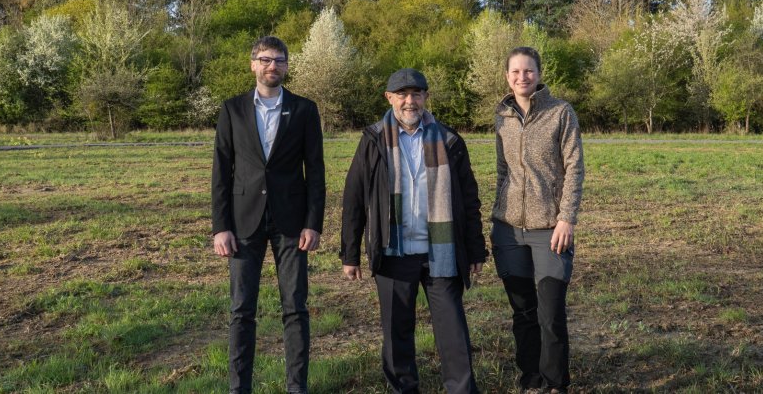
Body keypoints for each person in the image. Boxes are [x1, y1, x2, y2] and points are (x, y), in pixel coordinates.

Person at [340, 68, 487, 394]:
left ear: (425, 97)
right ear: (389, 98)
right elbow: (353, 200)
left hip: (441, 253)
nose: (410, 101)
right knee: (397, 334)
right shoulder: (373, 140)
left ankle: (461, 389)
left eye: (417, 93)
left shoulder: (449, 140)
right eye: (403, 94)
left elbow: (469, 199)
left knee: (453, 333)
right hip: (394, 252)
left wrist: (476, 249)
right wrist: (350, 254)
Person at [211, 36, 325, 394]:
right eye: (264, 59)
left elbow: (316, 172)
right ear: (253, 64)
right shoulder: (232, 110)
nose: (271, 66)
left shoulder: (305, 110)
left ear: (287, 66)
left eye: (278, 60)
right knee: (242, 310)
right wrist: (221, 227)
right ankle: (238, 388)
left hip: (292, 224)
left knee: (295, 308)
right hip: (243, 223)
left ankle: (297, 387)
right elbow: (221, 171)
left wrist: (313, 222)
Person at [492, 47, 585, 394]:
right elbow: (503, 171)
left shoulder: (561, 112)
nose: (522, 77)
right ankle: (529, 379)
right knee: (523, 313)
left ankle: (555, 383)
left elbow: (575, 168)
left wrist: (567, 218)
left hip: (550, 229)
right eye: (515, 72)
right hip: (508, 230)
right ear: (507, 76)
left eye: (528, 71)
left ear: (539, 73)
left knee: (550, 314)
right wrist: (497, 215)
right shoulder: (501, 116)